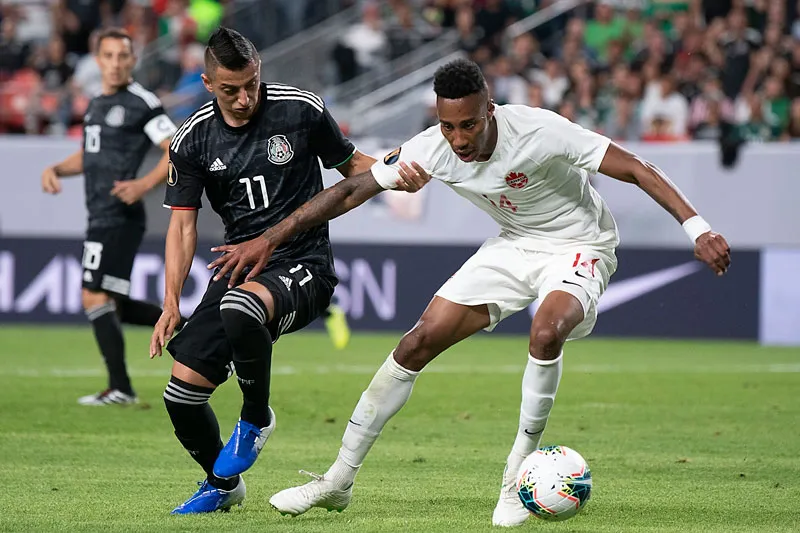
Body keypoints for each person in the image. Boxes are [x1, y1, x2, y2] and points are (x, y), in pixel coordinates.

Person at [208, 58, 732, 526]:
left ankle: (511, 484)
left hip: (579, 244)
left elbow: (637, 169)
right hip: (512, 246)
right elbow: (349, 189)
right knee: (415, 343)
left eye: (469, 124)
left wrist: (699, 228)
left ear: (491, 110)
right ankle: (337, 481)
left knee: (546, 331)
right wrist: (268, 239)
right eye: (447, 125)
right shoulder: (433, 148)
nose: (458, 139)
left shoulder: (540, 130)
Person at [147, 27, 424, 515]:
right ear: (208, 84)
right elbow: (182, 229)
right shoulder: (191, 141)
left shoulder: (301, 109)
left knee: (241, 307)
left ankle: (255, 419)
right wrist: (171, 301)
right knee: (181, 396)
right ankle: (221, 484)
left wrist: (393, 173)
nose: (244, 98)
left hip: (305, 264)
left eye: (252, 84)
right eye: (230, 89)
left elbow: (352, 166)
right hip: (240, 264)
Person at [41, 28, 178, 406]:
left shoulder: (141, 103)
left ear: (133, 60)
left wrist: (143, 185)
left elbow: (174, 149)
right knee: (113, 302)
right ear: (97, 60)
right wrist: (56, 168)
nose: (116, 63)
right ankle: (191, 333)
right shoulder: (97, 103)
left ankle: (120, 388)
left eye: (123, 56)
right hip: (100, 213)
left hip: (117, 215)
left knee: (93, 295)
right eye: (109, 56)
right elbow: (89, 155)